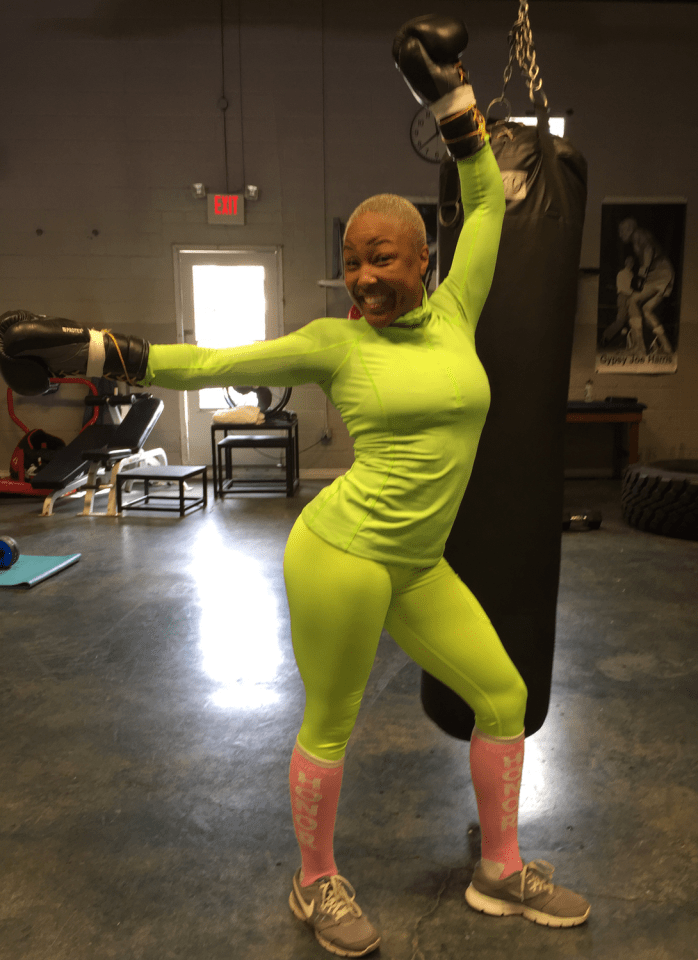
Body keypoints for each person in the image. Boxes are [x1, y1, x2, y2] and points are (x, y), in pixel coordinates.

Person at [0, 15, 590, 958]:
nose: (363, 278)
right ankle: (315, 882)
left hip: (419, 562)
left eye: (382, 258)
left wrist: (452, 99)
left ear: (423, 259)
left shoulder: (459, 311)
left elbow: (486, 200)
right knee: (333, 720)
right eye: (351, 260)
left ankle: (499, 868)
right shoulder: (333, 343)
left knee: (504, 695)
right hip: (342, 555)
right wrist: (94, 350)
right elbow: (210, 362)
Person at [617, 217, 674, 355]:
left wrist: (642, 274)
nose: (620, 234)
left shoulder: (638, 234)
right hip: (666, 273)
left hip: (659, 273)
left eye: (622, 230)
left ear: (630, 228)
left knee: (632, 301)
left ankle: (640, 347)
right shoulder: (640, 236)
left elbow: (648, 249)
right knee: (647, 310)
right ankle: (667, 346)